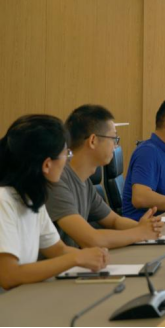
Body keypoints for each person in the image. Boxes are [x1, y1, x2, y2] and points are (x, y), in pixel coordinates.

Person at [0, 115, 109, 291]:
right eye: (66, 153)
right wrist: (76, 258)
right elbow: (9, 275)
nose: (67, 160)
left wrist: (90, 256)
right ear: (47, 165)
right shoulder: (3, 200)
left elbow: (58, 250)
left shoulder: (32, 198)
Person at [46, 105, 163, 248]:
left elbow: (114, 221)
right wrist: (140, 233)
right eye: (113, 138)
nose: (115, 145)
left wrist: (144, 227)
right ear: (93, 140)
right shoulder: (57, 180)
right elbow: (91, 239)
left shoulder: (85, 181)